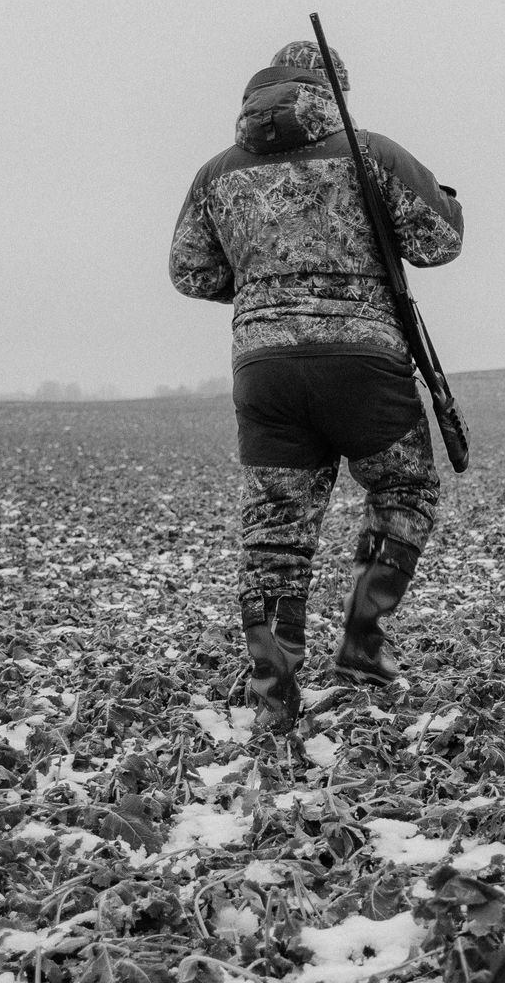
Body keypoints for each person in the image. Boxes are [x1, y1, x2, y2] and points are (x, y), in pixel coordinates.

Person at [170, 40, 463, 732]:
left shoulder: (216, 173)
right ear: (333, 91)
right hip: (364, 363)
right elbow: (439, 242)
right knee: (405, 490)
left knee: (275, 529)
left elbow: (190, 270)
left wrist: (265, 292)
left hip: (263, 370)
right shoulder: (369, 153)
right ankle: (363, 643)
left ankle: (274, 691)